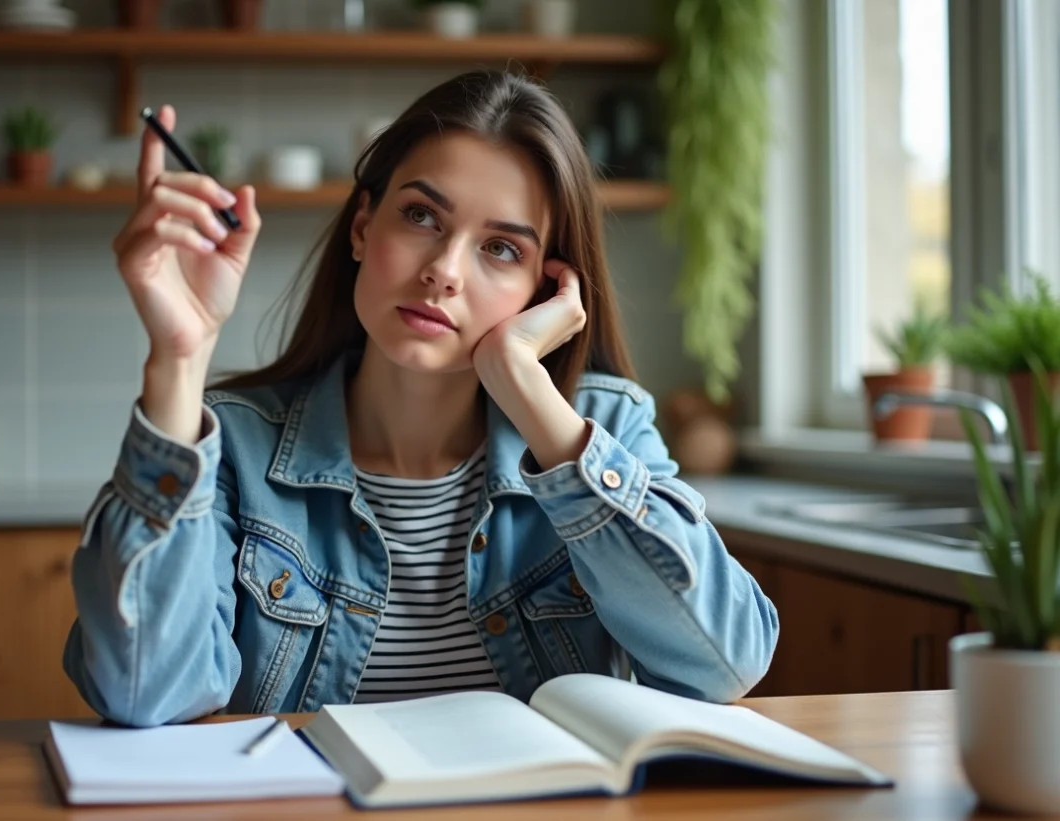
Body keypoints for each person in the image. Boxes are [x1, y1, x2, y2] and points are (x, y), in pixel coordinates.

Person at [62, 69, 778, 728]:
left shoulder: (601, 427)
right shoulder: (235, 452)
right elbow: (145, 691)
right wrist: (179, 359)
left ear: (549, 289)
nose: (443, 271)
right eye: (422, 217)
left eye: (501, 249)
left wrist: (531, 393)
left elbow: (725, 664)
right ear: (363, 226)